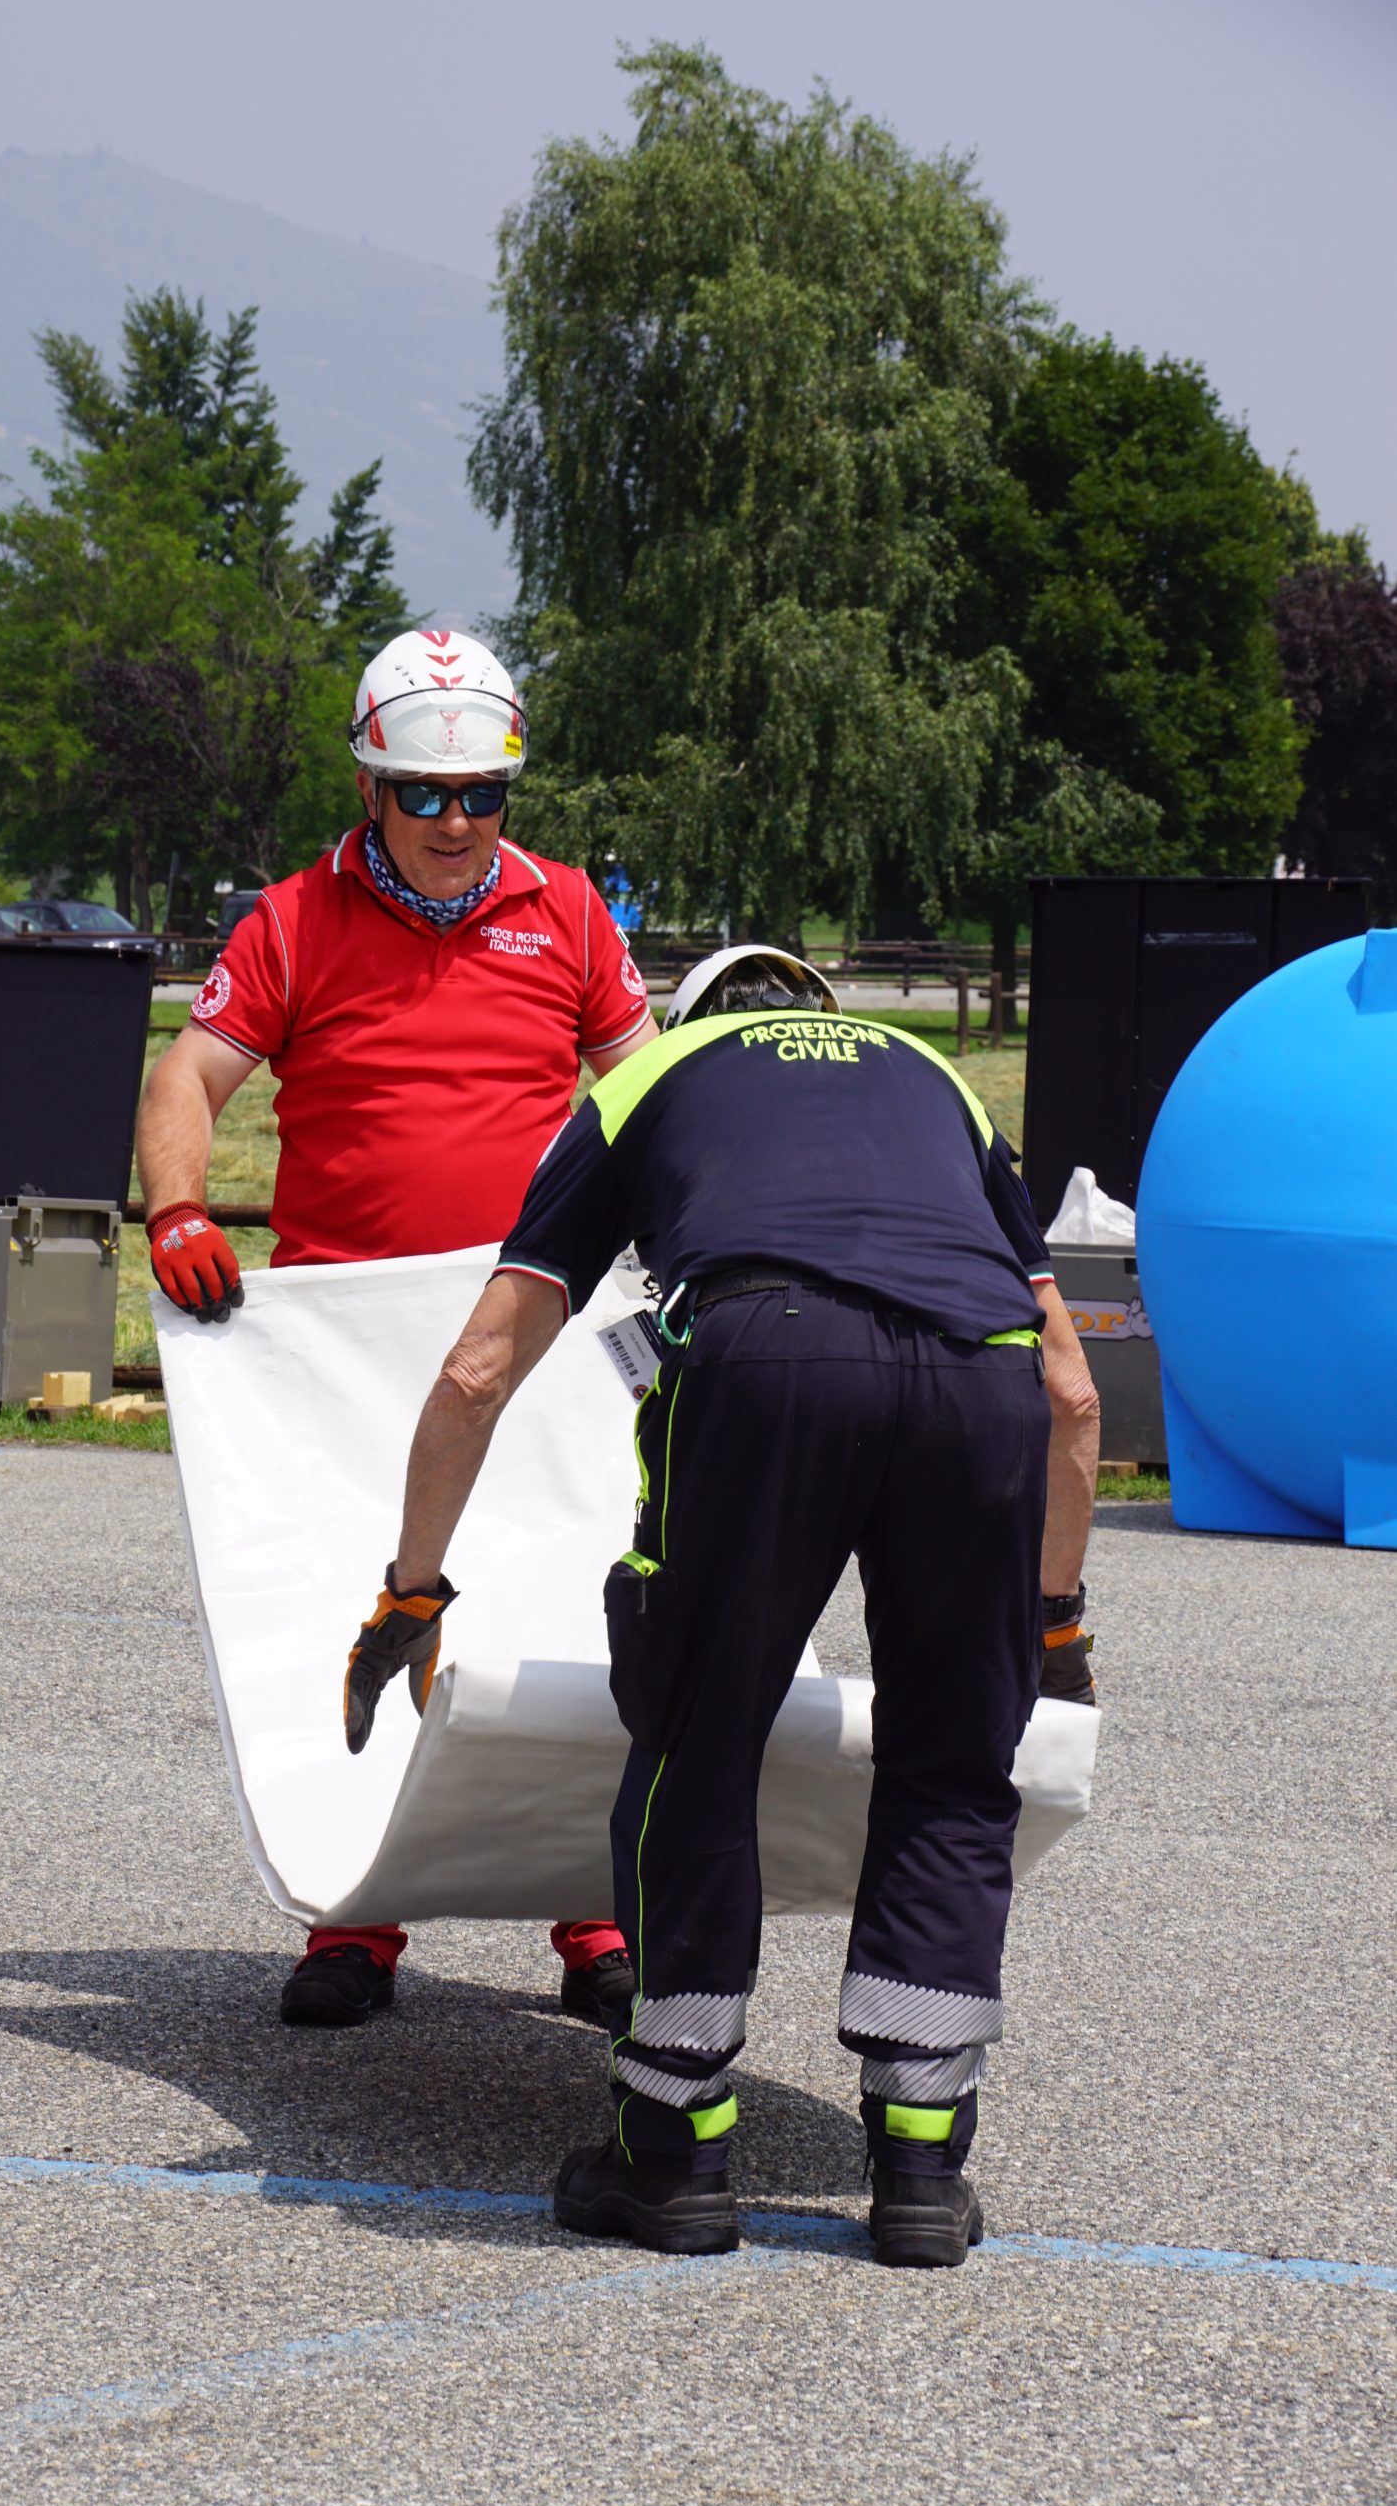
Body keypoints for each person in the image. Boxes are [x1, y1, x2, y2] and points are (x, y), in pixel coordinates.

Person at [343, 944, 1100, 2267]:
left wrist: (412, 1588)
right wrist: (1054, 1626)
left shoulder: (645, 1080)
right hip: (983, 1382)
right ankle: (921, 2173)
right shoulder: (935, 1080)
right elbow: (1074, 1392)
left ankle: (674, 2153)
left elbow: (477, 1368)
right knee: (951, 1765)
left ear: (687, 1023)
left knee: (699, 1744)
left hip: (766, 1357)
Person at [136, 627, 658, 2030]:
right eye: (423, 793)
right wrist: (176, 1210)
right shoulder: (292, 921)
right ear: (369, 786)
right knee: (359, 1612)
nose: (454, 821)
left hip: (533, 1341)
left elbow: (647, 1094)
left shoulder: (570, 915)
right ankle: (355, 1918)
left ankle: (595, 1916)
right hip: (348, 1362)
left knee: (569, 1611)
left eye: (481, 793)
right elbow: (186, 1077)